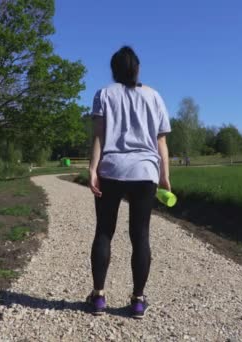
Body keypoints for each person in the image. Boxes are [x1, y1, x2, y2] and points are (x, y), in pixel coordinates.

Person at [87, 46, 171, 319]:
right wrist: (165, 176)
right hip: (145, 172)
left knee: (104, 232)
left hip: (111, 169)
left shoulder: (104, 94)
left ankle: (98, 297)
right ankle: (137, 301)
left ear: (114, 70)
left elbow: (99, 135)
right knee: (141, 235)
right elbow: (161, 142)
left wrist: (92, 168)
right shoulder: (154, 96)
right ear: (137, 68)